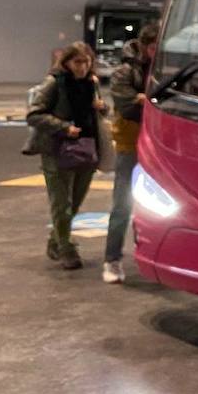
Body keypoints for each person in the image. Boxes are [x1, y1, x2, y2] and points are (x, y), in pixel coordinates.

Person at [24, 42, 107, 270]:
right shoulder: (55, 83)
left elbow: (97, 113)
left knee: (76, 202)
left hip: (86, 148)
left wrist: (101, 108)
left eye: (86, 62)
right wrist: (62, 127)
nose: (82, 67)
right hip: (57, 150)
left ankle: (55, 241)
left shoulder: (92, 83)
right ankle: (65, 249)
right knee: (62, 204)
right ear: (67, 62)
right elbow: (34, 114)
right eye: (77, 62)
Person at [103, 23, 158, 284]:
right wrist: (142, 99)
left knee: (156, 206)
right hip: (130, 142)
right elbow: (124, 100)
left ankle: (151, 255)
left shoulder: (163, 68)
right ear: (146, 45)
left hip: (157, 142)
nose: (157, 52)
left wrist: (142, 98)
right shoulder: (125, 71)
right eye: (154, 47)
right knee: (122, 204)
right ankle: (112, 260)